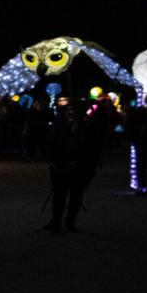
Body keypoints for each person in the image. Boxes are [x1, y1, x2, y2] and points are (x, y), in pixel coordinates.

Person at [43, 95, 101, 234]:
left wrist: (77, 162)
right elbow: (51, 143)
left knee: (75, 195)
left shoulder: (87, 126)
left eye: (72, 109)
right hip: (59, 165)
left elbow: (89, 148)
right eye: (68, 109)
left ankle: (69, 224)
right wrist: (52, 162)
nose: (69, 112)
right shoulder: (60, 123)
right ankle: (56, 222)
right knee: (59, 195)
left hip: (79, 167)